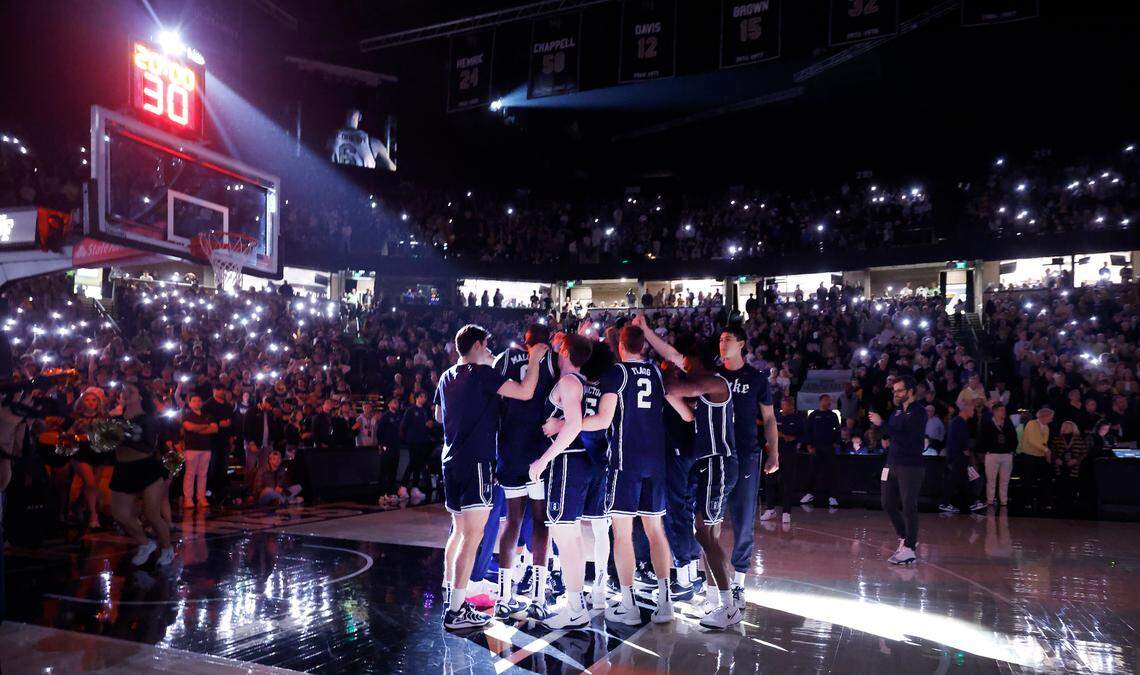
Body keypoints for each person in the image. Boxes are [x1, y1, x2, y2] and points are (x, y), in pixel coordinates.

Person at [434, 324, 547, 631]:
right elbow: (525, 392)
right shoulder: (483, 375)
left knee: (458, 533)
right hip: (477, 462)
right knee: (473, 536)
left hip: (451, 460)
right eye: (487, 347)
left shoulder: (446, 376)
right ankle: (456, 611)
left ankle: (451, 599)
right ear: (480, 344)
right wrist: (534, 360)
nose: (489, 352)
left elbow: (439, 417)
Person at [581, 324, 674, 625]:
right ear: (644, 346)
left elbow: (603, 419)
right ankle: (666, 601)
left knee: (622, 534)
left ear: (621, 347)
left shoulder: (616, 374)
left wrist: (569, 424)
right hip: (656, 462)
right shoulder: (656, 373)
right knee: (655, 531)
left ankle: (628, 602)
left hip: (626, 462)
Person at [660, 338, 741, 630]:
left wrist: (668, 367)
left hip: (718, 461)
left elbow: (672, 388)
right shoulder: (705, 389)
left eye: (687, 361)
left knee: (704, 533)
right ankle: (715, 599)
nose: (684, 365)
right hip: (711, 463)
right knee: (709, 534)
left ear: (695, 359)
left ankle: (729, 605)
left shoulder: (715, 382)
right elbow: (682, 404)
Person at [526, 333, 595, 629]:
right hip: (580, 463)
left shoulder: (568, 382)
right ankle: (576, 603)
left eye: (559, 346)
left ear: (565, 351)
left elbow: (575, 425)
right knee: (573, 538)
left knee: (566, 539)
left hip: (567, 464)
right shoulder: (585, 382)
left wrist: (544, 460)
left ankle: (575, 607)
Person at [491, 324, 559, 621]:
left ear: (524, 341)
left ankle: (504, 598)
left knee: (512, 520)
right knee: (541, 521)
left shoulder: (505, 358)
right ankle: (539, 596)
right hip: (539, 450)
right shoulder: (554, 361)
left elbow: (492, 398)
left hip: (510, 448)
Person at [714, 325, 778, 606]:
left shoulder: (756, 378)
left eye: (728, 339)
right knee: (709, 519)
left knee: (743, 519)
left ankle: (739, 581)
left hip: (747, 454)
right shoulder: (713, 376)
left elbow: (770, 419)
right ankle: (712, 580)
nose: (722, 343)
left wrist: (774, 452)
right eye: (720, 339)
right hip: (716, 454)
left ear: (742, 344)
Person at [109, 383, 175, 566]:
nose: (126, 393)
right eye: (124, 390)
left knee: (152, 514)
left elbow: (148, 446)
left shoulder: (148, 420)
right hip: (123, 468)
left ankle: (168, 548)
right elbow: (108, 447)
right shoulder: (116, 419)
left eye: (131, 390)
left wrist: (122, 437)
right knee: (119, 514)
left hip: (147, 468)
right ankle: (145, 544)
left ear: (140, 396)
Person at [869, 376, 927, 565]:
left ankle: (910, 548)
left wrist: (882, 424)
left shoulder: (919, 412)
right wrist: (881, 434)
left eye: (900, 390)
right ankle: (905, 537)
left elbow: (907, 436)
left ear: (910, 391)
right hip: (891, 463)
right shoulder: (896, 413)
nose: (896, 394)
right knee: (887, 503)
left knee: (909, 505)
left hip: (910, 465)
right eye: (894, 391)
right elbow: (891, 434)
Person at [938, 404, 985, 513]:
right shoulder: (960, 422)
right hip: (958, 457)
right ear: (966, 410)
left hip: (956, 457)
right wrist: (968, 455)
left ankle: (971, 502)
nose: (974, 412)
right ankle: (947, 503)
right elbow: (962, 441)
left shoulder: (957, 422)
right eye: (972, 409)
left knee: (961, 481)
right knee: (957, 480)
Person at [801, 394, 841, 508]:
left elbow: (837, 431)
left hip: (829, 448)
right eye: (826, 400)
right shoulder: (814, 415)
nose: (828, 402)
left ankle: (832, 497)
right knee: (813, 471)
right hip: (815, 448)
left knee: (830, 472)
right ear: (821, 401)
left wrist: (835, 443)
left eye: (830, 400)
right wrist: (809, 445)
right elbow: (808, 431)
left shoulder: (833, 415)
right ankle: (809, 493)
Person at [181, 393, 219, 509]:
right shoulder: (187, 415)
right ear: (190, 403)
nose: (197, 403)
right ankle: (188, 499)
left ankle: (201, 498)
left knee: (203, 475)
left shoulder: (208, 415)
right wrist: (204, 426)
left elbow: (215, 429)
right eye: (194, 401)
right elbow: (189, 427)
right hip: (192, 448)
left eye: (199, 400)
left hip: (206, 448)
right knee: (190, 474)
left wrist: (197, 428)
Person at [979, 403, 1018, 507]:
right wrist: (986, 450)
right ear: (995, 411)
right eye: (1001, 410)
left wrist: (1011, 450)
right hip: (992, 455)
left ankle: (1003, 501)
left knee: (1005, 480)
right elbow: (982, 439)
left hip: (1006, 455)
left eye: (1004, 410)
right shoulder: (987, 424)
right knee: (991, 480)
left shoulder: (1008, 423)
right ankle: (990, 501)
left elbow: (1014, 439)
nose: (1004, 412)